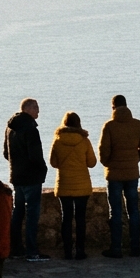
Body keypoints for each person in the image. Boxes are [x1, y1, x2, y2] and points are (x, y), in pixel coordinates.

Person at [99, 95, 140, 258]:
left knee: (115, 211)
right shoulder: (137, 124)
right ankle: (135, 248)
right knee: (133, 211)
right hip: (132, 174)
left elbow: (103, 151)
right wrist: (135, 159)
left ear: (113, 107)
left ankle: (116, 249)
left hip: (114, 174)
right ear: (126, 105)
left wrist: (109, 163)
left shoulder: (109, 126)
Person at [4, 98, 49, 261]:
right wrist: (43, 169)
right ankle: (32, 251)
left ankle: (15, 249)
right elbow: (35, 155)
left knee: (17, 212)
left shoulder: (10, 128)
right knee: (32, 214)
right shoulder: (30, 129)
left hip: (16, 176)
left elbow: (5, 153)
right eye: (36, 107)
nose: (38, 111)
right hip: (31, 177)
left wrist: (17, 165)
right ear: (28, 109)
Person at [50, 111, 97, 260]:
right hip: (82, 185)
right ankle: (80, 250)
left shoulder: (57, 140)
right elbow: (92, 162)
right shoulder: (84, 141)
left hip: (64, 184)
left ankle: (67, 251)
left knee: (66, 218)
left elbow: (53, 163)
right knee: (80, 218)